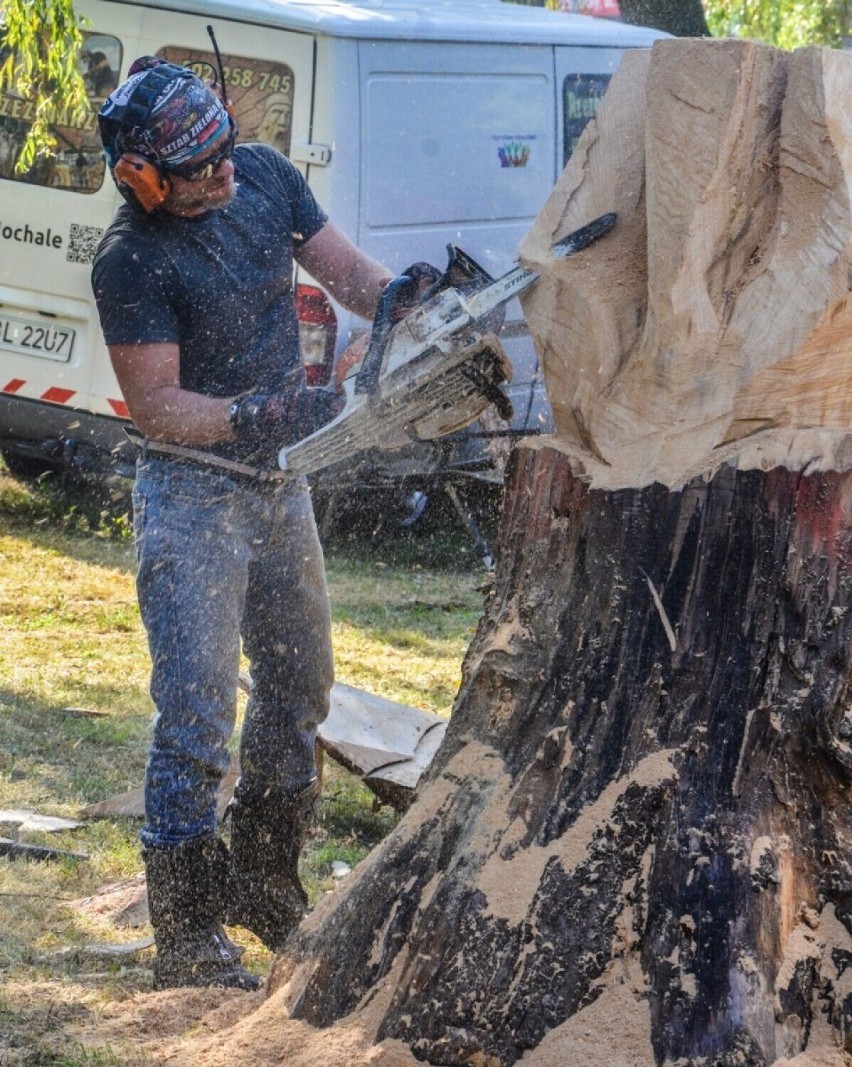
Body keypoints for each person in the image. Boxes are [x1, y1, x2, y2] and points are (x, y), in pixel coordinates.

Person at [91, 56, 404, 992]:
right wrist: (258, 413)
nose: (225, 176)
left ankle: (266, 878)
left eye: (226, 153)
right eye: (203, 170)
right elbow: (156, 406)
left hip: (280, 487)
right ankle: (186, 929)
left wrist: (402, 301)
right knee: (195, 712)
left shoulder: (261, 171)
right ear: (146, 179)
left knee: (301, 681)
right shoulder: (130, 257)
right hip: (192, 492)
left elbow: (346, 272)